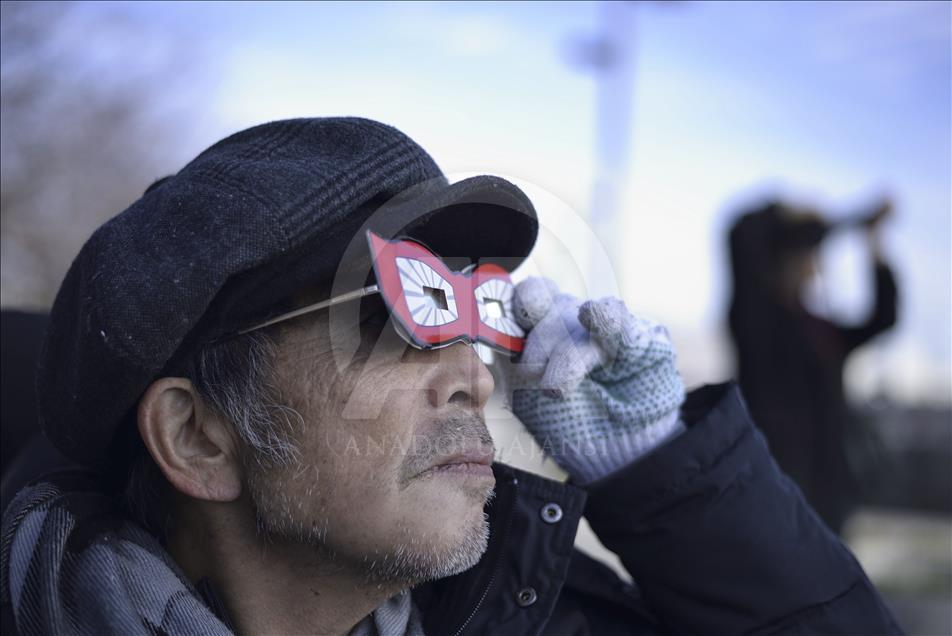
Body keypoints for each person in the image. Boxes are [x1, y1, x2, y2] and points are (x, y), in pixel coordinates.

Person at [1, 118, 901, 635]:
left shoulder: (523, 613)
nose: (474, 376)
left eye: (479, 308)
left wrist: (659, 472)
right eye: (401, 311)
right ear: (199, 437)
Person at [727, 199, 898, 533]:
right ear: (781, 260)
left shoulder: (821, 329)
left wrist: (873, 241)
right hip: (772, 486)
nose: (814, 263)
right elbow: (740, 233)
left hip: (829, 489)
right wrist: (782, 210)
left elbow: (882, 318)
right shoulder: (757, 319)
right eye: (806, 253)